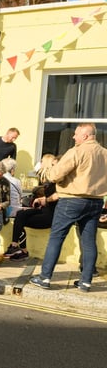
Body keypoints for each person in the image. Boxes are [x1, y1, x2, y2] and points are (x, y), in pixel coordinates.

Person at [30, 123, 107, 292]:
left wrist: (47, 171)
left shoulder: (76, 151)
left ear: (86, 136)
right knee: (88, 242)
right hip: (95, 201)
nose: (73, 137)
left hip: (72, 200)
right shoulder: (104, 154)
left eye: (76, 134)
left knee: (56, 237)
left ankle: (45, 277)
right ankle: (86, 282)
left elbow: (55, 175)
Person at [4, 154, 59, 261]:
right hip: (43, 210)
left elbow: (57, 196)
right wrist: (41, 199)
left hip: (50, 216)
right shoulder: (48, 179)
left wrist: (44, 199)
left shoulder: (56, 180)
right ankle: (15, 246)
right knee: (20, 214)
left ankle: (20, 250)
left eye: (42, 161)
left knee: (21, 219)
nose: (40, 163)